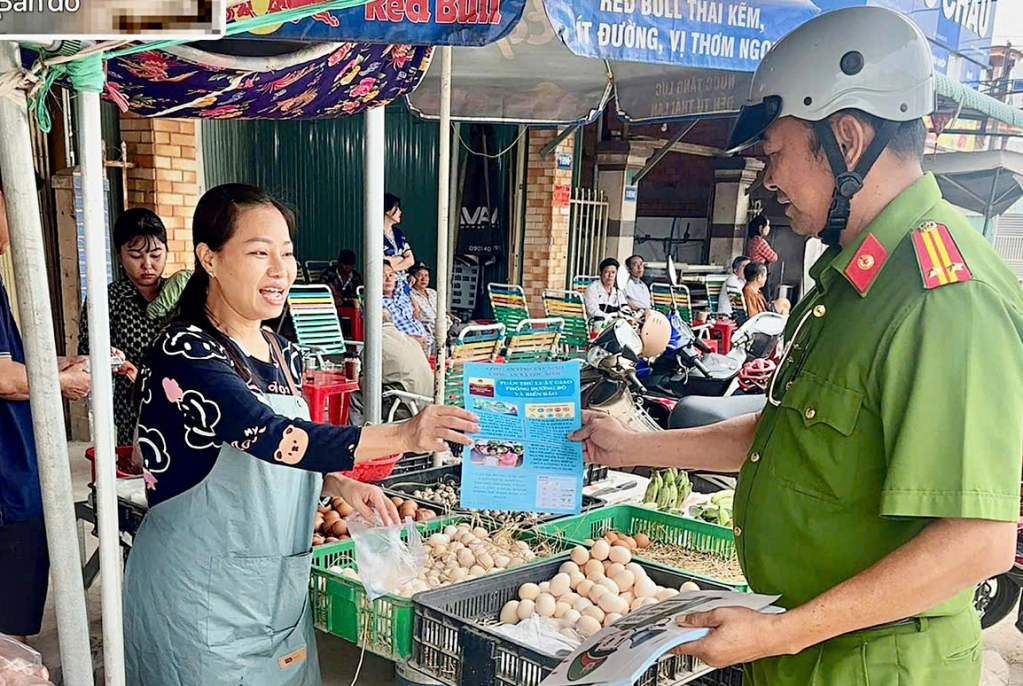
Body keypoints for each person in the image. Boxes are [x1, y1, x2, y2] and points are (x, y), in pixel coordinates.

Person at [570, 8, 1023, 686]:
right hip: (805, 650)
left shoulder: (942, 294)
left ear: (845, 137)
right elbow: (785, 436)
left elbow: (975, 542)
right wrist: (631, 446)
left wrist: (779, 633)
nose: (765, 179)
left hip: (874, 666)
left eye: (773, 153)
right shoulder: (848, 276)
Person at [121, 184, 477, 684]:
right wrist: (405, 432)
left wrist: (339, 483)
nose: (279, 270)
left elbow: (286, 461)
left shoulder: (283, 351)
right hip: (200, 600)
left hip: (275, 594)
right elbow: (271, 436)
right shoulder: (185, 351)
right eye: (258, 252)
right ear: (210, 258)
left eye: (286, 253)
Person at [0, 190, 128, 644]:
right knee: (9, 621)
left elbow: (18, 361)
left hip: (17, 463)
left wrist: (71, 362)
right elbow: (4, 377)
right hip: (6, 475)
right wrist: (64, 382)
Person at [79, 208, 169, 446]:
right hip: (131, 405)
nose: (147, 264)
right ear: (119, 255)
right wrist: (114, 361)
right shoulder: (104, 299)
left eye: (156, 255)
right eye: (136, 255)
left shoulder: (182, 294)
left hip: (180, 400)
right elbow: (87, 352)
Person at [383, 261, 433, 355]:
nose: (388, 279)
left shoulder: (401, 295)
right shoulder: (377, 304)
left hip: (426, 343)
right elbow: (386, 335)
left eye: (391, 275)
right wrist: (413, 340)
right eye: (383, 275)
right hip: (403, 349)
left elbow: (415, 312)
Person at [383, 193, 414, 283]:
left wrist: (391, 269)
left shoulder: (398, 234)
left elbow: (411, 260)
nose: (400, 212)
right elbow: (382, 263)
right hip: (386, 285)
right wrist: (400, 259)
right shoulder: (376, 235)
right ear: (388, 211)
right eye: (397, 208)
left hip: (401, 285)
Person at [408, 262, 438, 338]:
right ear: (413, 277)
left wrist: (454, 318)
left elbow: (444, 312)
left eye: (426, 275)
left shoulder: (433, 292)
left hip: (446, 325)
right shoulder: (409, 295)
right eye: (419, 275)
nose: (424, 279)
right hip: (431, 330)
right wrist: (409, 284)